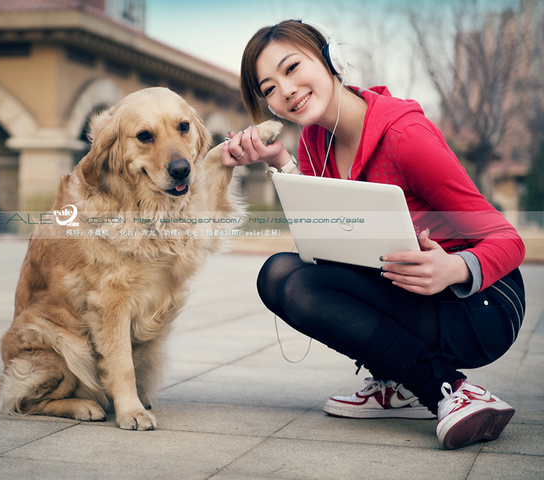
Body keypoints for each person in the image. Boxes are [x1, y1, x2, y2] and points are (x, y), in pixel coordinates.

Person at [221, 19, 526, 450]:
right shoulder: (313, 142)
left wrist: (454, 267)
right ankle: (400, 382)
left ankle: (448, 389)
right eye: (268, 88)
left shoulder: (405, 137)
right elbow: (326, 245)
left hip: (481, 303)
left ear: (331, 59)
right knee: (277, 274)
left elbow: (508, 239)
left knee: (299, 281)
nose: (285, 91)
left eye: (292, 68)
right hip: (414, 294)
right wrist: (283, 161)